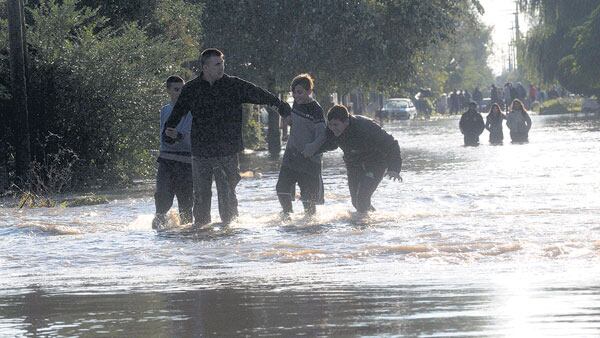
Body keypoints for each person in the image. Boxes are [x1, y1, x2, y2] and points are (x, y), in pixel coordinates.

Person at [164, 48, 292, 228]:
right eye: (217, 64)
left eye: (222, 63)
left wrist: (279, 105)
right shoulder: (192, 89)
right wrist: (168, 133)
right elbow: (177, 113)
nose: (221, 67)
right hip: (201, 152)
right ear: (205, 67)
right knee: (201, 196)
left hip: (228, 151)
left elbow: (259, 93)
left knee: (227, 195)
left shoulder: (233, 85)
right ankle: (201, 231)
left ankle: (229, 233)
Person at [319, 105, 402, 214]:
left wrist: (394, 168)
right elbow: (329, 144)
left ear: (346, 122)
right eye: (330, 125)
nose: (333, 128)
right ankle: (375, 219)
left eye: (336, 125)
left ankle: (364, 228)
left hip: (376, 163)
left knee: (362, 198)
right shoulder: (331, 130)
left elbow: (392, 144)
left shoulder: (365, 127)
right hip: (354, 164)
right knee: (356, 202)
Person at [276, 74, 327, 220]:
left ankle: (309, 223)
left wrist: (311, 148)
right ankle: (287, 216)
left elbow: (322, 134)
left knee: (308, 198)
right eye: (294, 92)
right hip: (292, 155)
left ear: (309, 91)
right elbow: (296, 123)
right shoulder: (296, 104)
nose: (296, 95)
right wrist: (288, 121)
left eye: (300, 92)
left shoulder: (316, 109)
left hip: (309, 159)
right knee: (282, 189)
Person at [153, 76, 193, 229]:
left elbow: (194, 136)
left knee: (186, 205)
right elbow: (162, 136)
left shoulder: (191, 111)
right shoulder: (165, 110)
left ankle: (189, 232)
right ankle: (158, 236)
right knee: (161, 201)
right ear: (168, 91)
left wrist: (179, 136)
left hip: (186, 162)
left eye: (183, 89)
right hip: (166, 161)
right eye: (177, 90)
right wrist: (169, 139)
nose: (180, 93)